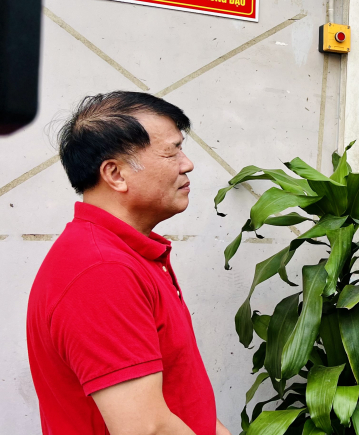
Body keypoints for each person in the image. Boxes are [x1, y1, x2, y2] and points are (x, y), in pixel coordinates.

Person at [26, 92, 230, 435]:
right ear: (115, 174)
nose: (187, 163)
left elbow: (185, 401)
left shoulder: (130, 254)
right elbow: (147, 429)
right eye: (172, 151)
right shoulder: (101, 271)